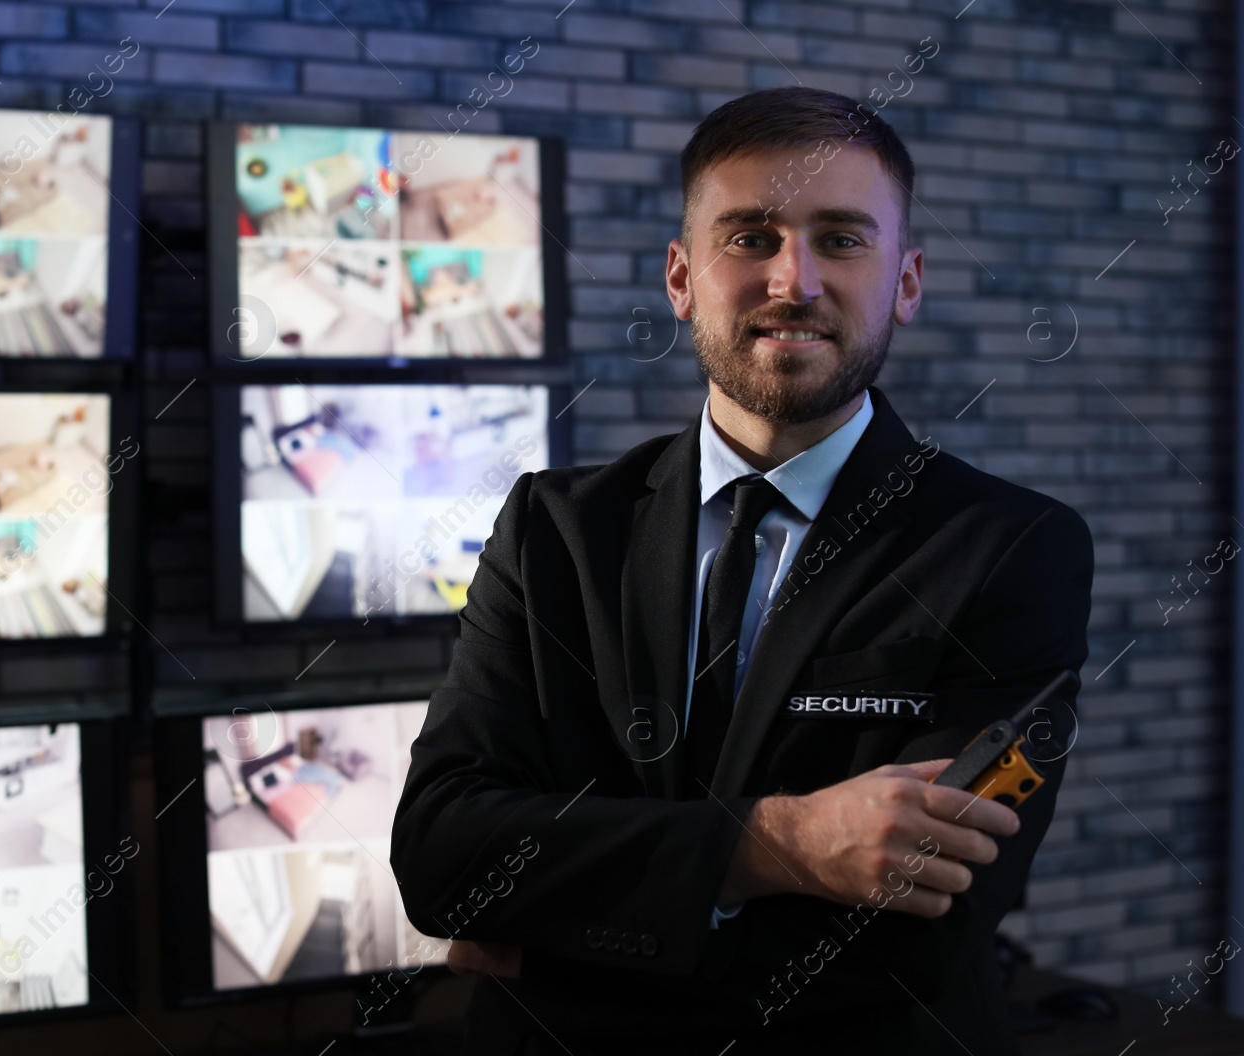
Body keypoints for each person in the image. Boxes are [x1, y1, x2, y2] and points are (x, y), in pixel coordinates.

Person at [389, 86, 1094, 1056]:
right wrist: (786, 844)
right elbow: (440, 858)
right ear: (681, 278)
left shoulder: (1014, 549)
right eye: (749, 237)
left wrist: (554, 936)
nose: (792, 279)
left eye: (842, 239)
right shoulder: (552, 531)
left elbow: (923, 935)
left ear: (907, 282)